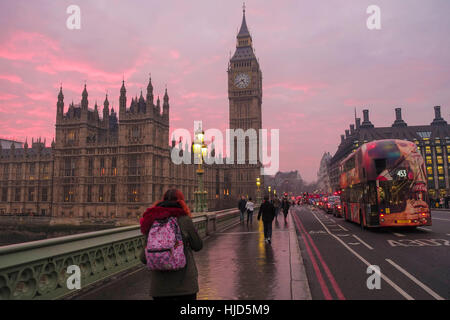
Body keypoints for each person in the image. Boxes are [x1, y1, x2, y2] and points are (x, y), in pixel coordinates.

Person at [140, 188, 203, 300]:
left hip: (159, 288)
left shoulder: (151, 220)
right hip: (185, 286)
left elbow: (144, 258)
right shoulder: (184, 220)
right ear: (181, 201)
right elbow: (198, 246)